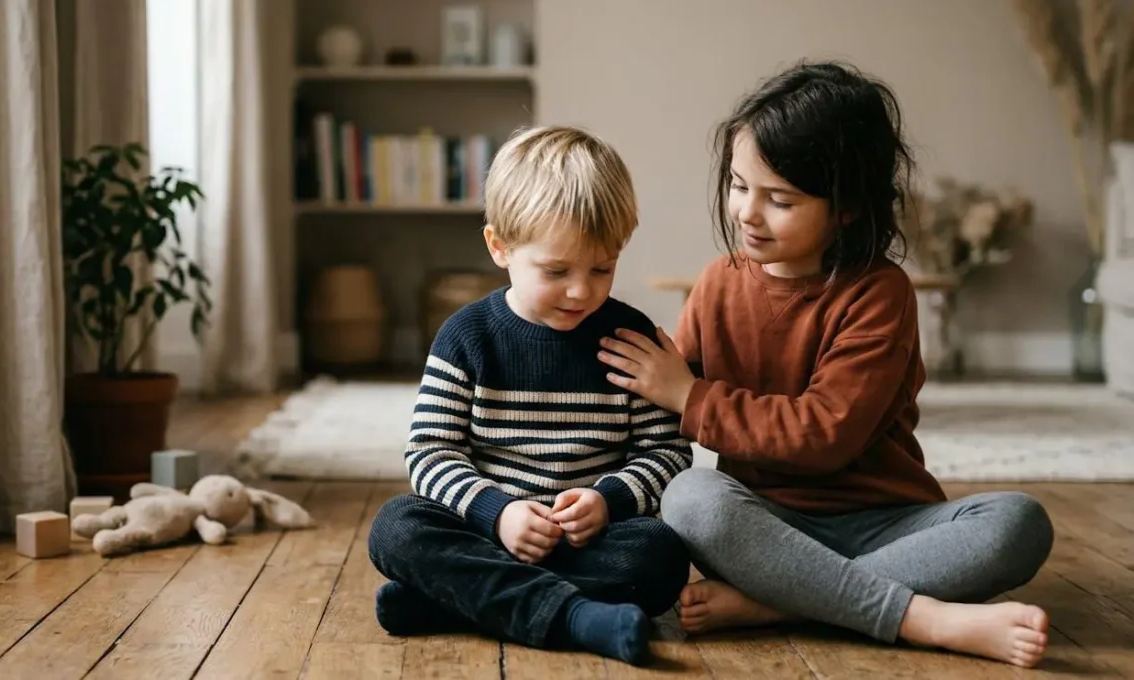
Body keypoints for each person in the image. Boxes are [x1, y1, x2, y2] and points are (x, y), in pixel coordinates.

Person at [596, 60, 1055, 668]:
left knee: (1018, 522)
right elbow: (654, 394)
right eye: (738, 186)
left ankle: (781, 604)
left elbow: (824, 434)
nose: (747, 213)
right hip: (762, 530)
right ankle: (919, 615)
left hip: (884, 523)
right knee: (690, 497)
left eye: (779, 199)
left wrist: (692, 397)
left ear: (845, 208)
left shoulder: (880, 293)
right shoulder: (717, 284)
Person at [367, 125, 692, 666]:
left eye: (602, 268)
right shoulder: (467, 336)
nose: (582, 290)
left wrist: (607, 501)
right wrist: (498, 514)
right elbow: (429, 454)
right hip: (488, 533)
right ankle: (574, 616)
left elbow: (667, 455)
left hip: (587, 542)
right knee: (396, 526)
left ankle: (458, 599)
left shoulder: (632, 341)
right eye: (556, 270)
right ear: (500, 247)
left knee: (659, 558)